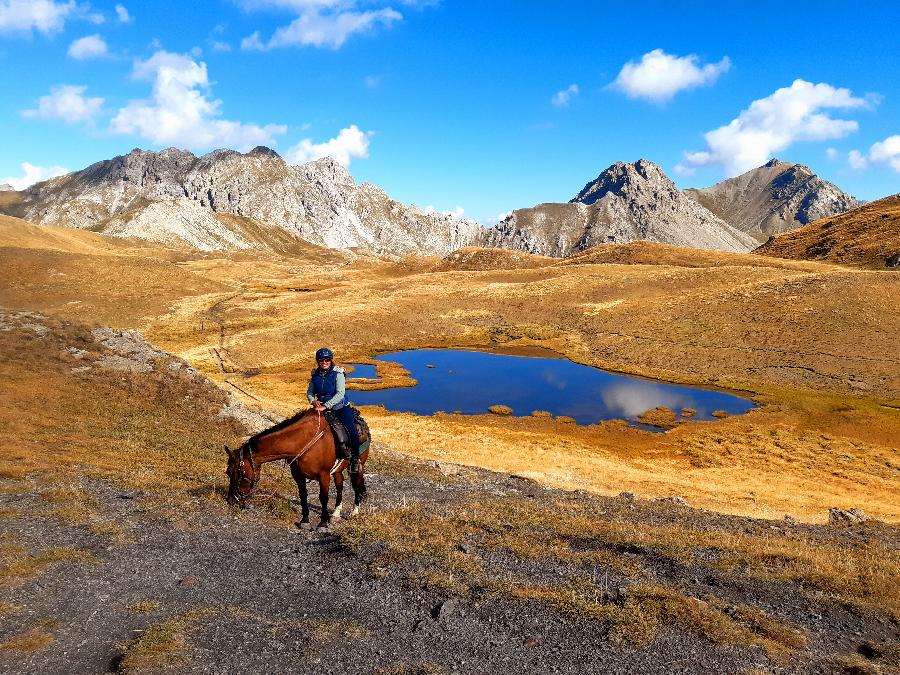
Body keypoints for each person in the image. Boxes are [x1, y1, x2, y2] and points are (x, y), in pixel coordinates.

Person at [307, 347, 361, 474]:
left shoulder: (338, 373)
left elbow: (340, 394)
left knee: (352, 431)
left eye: (327, 360)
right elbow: (310, 392)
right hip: (320, 407)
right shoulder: (315, 374)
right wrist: (312, 401)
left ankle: (355, 460)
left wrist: (327, 405)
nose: (324, 362)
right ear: (317, 361)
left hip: (339, 407)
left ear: (331, 360)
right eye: (321, 360)